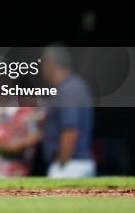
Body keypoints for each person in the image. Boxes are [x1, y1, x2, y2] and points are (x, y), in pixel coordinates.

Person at [40, 45, 95, 178]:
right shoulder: (70, 87)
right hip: (73, 163)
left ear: (50, 64)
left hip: (71, 165)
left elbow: (70, 130)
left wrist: (61, 164)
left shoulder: (69, 89)